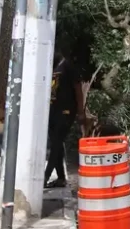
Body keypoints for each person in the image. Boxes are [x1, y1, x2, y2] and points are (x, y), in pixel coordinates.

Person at [45, 51, 85, 188]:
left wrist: (81, 112)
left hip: (66, 111)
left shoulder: (67, 66)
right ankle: (61, 178)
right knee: (56, 145)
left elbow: (78, 88)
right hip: (53, 111)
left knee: (56, 143)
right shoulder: (52, 67)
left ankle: (45, 176)